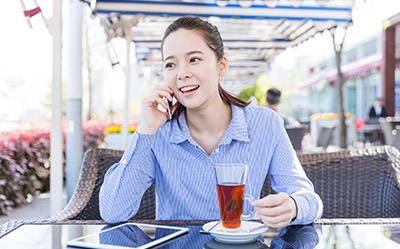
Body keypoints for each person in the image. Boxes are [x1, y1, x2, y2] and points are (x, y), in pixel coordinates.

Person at [99, 16, 323, 228]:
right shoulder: (157, 131)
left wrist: (293, 206)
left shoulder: (266, 124)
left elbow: (308, 199)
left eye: (194, 59)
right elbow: (113, 211)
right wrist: (146, 129)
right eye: (170, 64)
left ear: (221, 65)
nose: (182, 73)